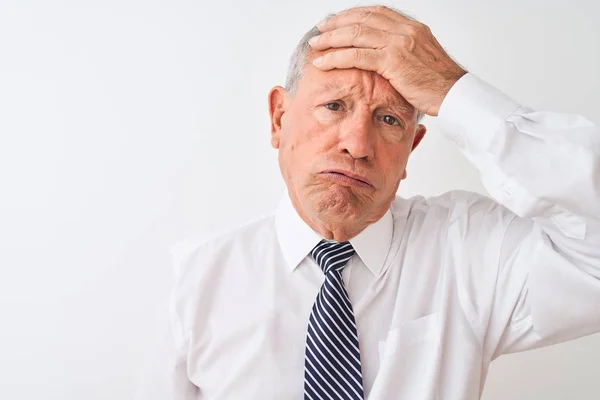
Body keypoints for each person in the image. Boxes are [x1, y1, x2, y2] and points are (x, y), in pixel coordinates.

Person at [134, 5, 600, 400]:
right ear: (279, 117)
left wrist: (453, 92)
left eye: (389, 119)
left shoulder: (470, 253)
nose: (358, 144)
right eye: (334, 106)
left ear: (411, 149)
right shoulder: (193, 281)